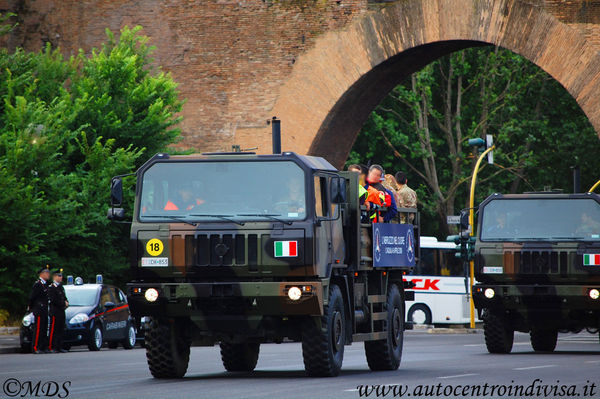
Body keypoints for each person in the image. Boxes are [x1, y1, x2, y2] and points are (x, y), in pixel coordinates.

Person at [28, 267, 50, 354]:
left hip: (44, 309)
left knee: (44, 329)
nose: (48, 274)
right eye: (46, 273)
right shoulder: (38, 284)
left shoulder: (45, 284)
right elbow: (32, 297)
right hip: (39, 310)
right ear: (42, 274)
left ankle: (43, 346)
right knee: (38, 329)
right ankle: (36, 347)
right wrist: (32, 307)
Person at [48, 268, 69, 353]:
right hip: (55, 311)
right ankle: (52, 346)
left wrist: (67, 302)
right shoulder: (52, 287)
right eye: (59, 276)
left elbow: (64, 297)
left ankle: (59, 346)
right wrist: (63, 304)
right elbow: (54, 300)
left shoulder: (61, 287)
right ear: (54, 276)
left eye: (61, 276)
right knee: (54, 330)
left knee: (61, 329)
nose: (61, 277)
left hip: (61, 311)